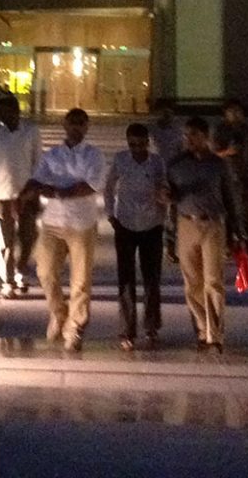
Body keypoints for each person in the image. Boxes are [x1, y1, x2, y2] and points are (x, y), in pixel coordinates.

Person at [25, 106, 106, 350]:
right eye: (72, 123)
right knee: (45, 271)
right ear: (65, 126)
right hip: (52, 222)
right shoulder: (53, 155)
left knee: (80, 280)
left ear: (87, 127)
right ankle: (58, 312)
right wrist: (26, 192)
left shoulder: (93, 156)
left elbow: (90, 186)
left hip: (82, 224)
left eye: (81, 123)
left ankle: (75, 328)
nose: (76, 128)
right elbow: (38, 179)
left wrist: (59, 190)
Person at [165, 115, 230, 349]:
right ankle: (203, 329)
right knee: (192, 282)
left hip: (212, 224)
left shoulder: (218, 164)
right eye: (186, 135)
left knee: (213, 281)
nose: (189, 139)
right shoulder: (176, 164)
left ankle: (216, 334)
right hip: (186, 224)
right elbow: (169, 196)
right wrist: (170, 238)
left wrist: (237, 233)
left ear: (205, 137)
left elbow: (230, 198)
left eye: (194, 135)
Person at [103, 121, 169, 350]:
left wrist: (163, 210)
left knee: (152, 279)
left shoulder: (157, 162)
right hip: (126, 225)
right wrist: (111, 214)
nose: (137, 149)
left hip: (152, 225)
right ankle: (127, 331)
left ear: (148, 143)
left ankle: (151, 327)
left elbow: (165, 187)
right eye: (133, 144)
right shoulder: (121, 160)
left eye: (141, 144)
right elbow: (108, 187)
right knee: (126, 280)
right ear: (128, 143)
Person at [0, 91, 41, 297]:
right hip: (2, 194)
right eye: (1, 113)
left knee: (28, 236)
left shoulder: (31, 132)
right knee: (5, 240)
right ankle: (7, 281)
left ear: (17, 111)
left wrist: (35, 188)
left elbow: (38, 161)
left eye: (8, 112)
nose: (4, 116)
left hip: (27, 192)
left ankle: (21, 269)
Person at [213, 98, 248, 257]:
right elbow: (215, 153)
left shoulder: (246, 130)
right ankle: (228, 244)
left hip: (244, 176)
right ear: (225, 114)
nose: (236, 114)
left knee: (245, 211)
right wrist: (228, 151)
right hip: (225, 176)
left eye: (238, 111)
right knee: (228, 212)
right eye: (232, 111)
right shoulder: (221, 130)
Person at [149, 98, 183, 255]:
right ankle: (155, 239)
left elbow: (181, 151)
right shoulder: (151, 130)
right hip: (154, 174)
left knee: (174, 210)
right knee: (156, 208)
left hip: (174, 174)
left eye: (169, 112)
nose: (166, 115)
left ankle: (171, 242)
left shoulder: (178, 131)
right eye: (163, 111)